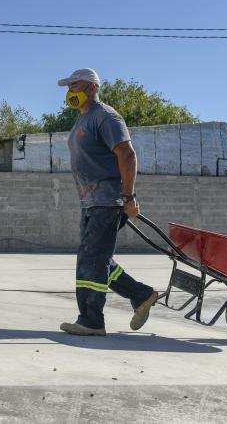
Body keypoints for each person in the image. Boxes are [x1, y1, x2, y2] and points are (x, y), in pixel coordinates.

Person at [57, 68, 158, 336]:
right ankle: (142, 295)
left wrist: (129, 197)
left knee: (91, 259)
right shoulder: (83, 119)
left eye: (74, 87)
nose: (69, 93)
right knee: (98, 258)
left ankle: (91, 321)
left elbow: (127, 155)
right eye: (68, 88)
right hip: (91, 202)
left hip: (108, 200)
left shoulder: (106, 117)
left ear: (91, 88)